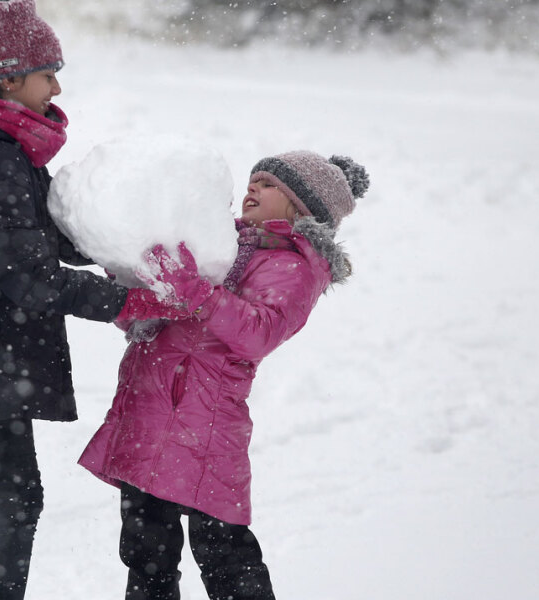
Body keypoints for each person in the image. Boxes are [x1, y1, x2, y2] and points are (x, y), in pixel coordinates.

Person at [0, 1, 184, 598]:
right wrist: (127, 302)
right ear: (8, 79)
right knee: (7, 503)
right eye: (48, 73)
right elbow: (30, 277)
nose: (57, 87)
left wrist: (132, 250)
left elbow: (47, 238)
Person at [78, 150, 370, 600]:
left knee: (223, 552)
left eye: (269, 185)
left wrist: (195, 290)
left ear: (301, 207)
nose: (254, 188)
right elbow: (159, 318)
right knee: (145, 551)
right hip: (150, 408)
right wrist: (132, 282)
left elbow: (258, 333)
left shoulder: (294, 265)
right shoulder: (222, 245)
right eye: (254, 180)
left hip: (205, 425)